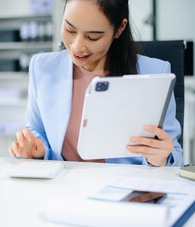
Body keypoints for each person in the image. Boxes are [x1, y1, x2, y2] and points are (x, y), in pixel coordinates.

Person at [9, 0, 183, 167]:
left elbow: (174, 154)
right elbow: (36, 129)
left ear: (119, 29)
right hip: (62, 188)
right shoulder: (42, 67)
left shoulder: (155, 72)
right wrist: (34, 150)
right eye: (70, 30)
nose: (77, 47)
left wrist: (161, 158)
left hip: (126, 189)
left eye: (92, 37)